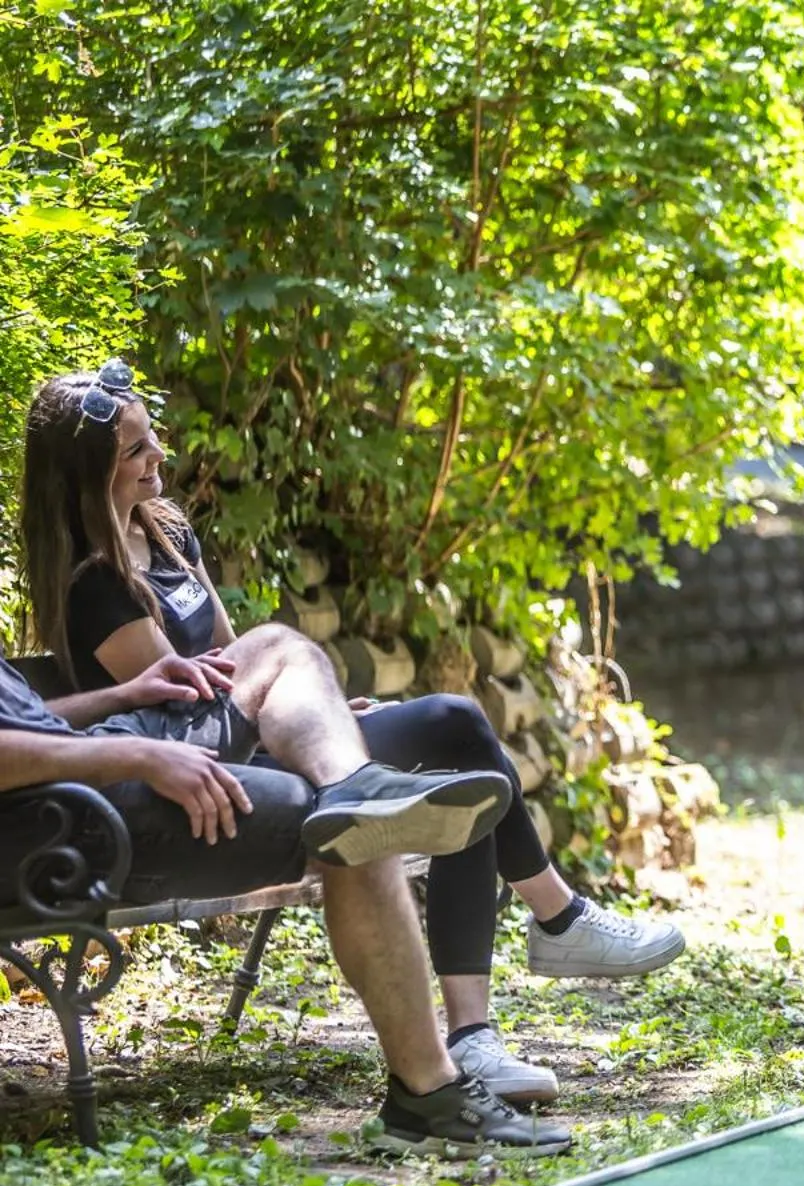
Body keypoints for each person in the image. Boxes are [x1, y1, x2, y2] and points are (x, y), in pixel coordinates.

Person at [20, 363, 687, 1106]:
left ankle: (483, 1024)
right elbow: (190, 707)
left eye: (154, 439)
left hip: (257, 737)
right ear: (90, 477)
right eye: (137, 451)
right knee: (426, 755)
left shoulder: (168, 530)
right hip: (200, 770)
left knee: (454, 729)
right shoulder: (93, 584)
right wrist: (309, 733)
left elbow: (232, 654)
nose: (158, 459)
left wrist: (325, 721)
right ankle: (553, 920)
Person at [0, 623, 571, 1156]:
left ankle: (350, 777)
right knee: (353, 826)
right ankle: (428, 1095)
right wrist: (135, 754)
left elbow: (24, 721)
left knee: (274, 646)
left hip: (77, 760)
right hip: (59, 817)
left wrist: (123, 696)